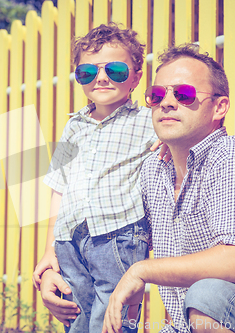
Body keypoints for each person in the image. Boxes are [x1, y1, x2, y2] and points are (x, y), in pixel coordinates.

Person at [41, 44, 235, 333]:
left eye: (184, 94)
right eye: (158, 95)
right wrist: (55, 269)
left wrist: (141, 271)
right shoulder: (152, 170)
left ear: (219, 107)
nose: (167, 103)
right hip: (188, 326)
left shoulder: (232, 161)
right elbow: (105, 226)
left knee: (207, 294)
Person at [32, 23, 161, 333]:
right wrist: (50, 249)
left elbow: (177, 140)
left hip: (118, 234)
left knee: (113, 319)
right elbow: (59, 189)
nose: (101, 78)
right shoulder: (73, 126)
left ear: (136, 76)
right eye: (88, 72)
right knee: (75, 317)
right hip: (69, 239)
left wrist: (167, 142)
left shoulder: (148, 120)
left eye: (114, 69)